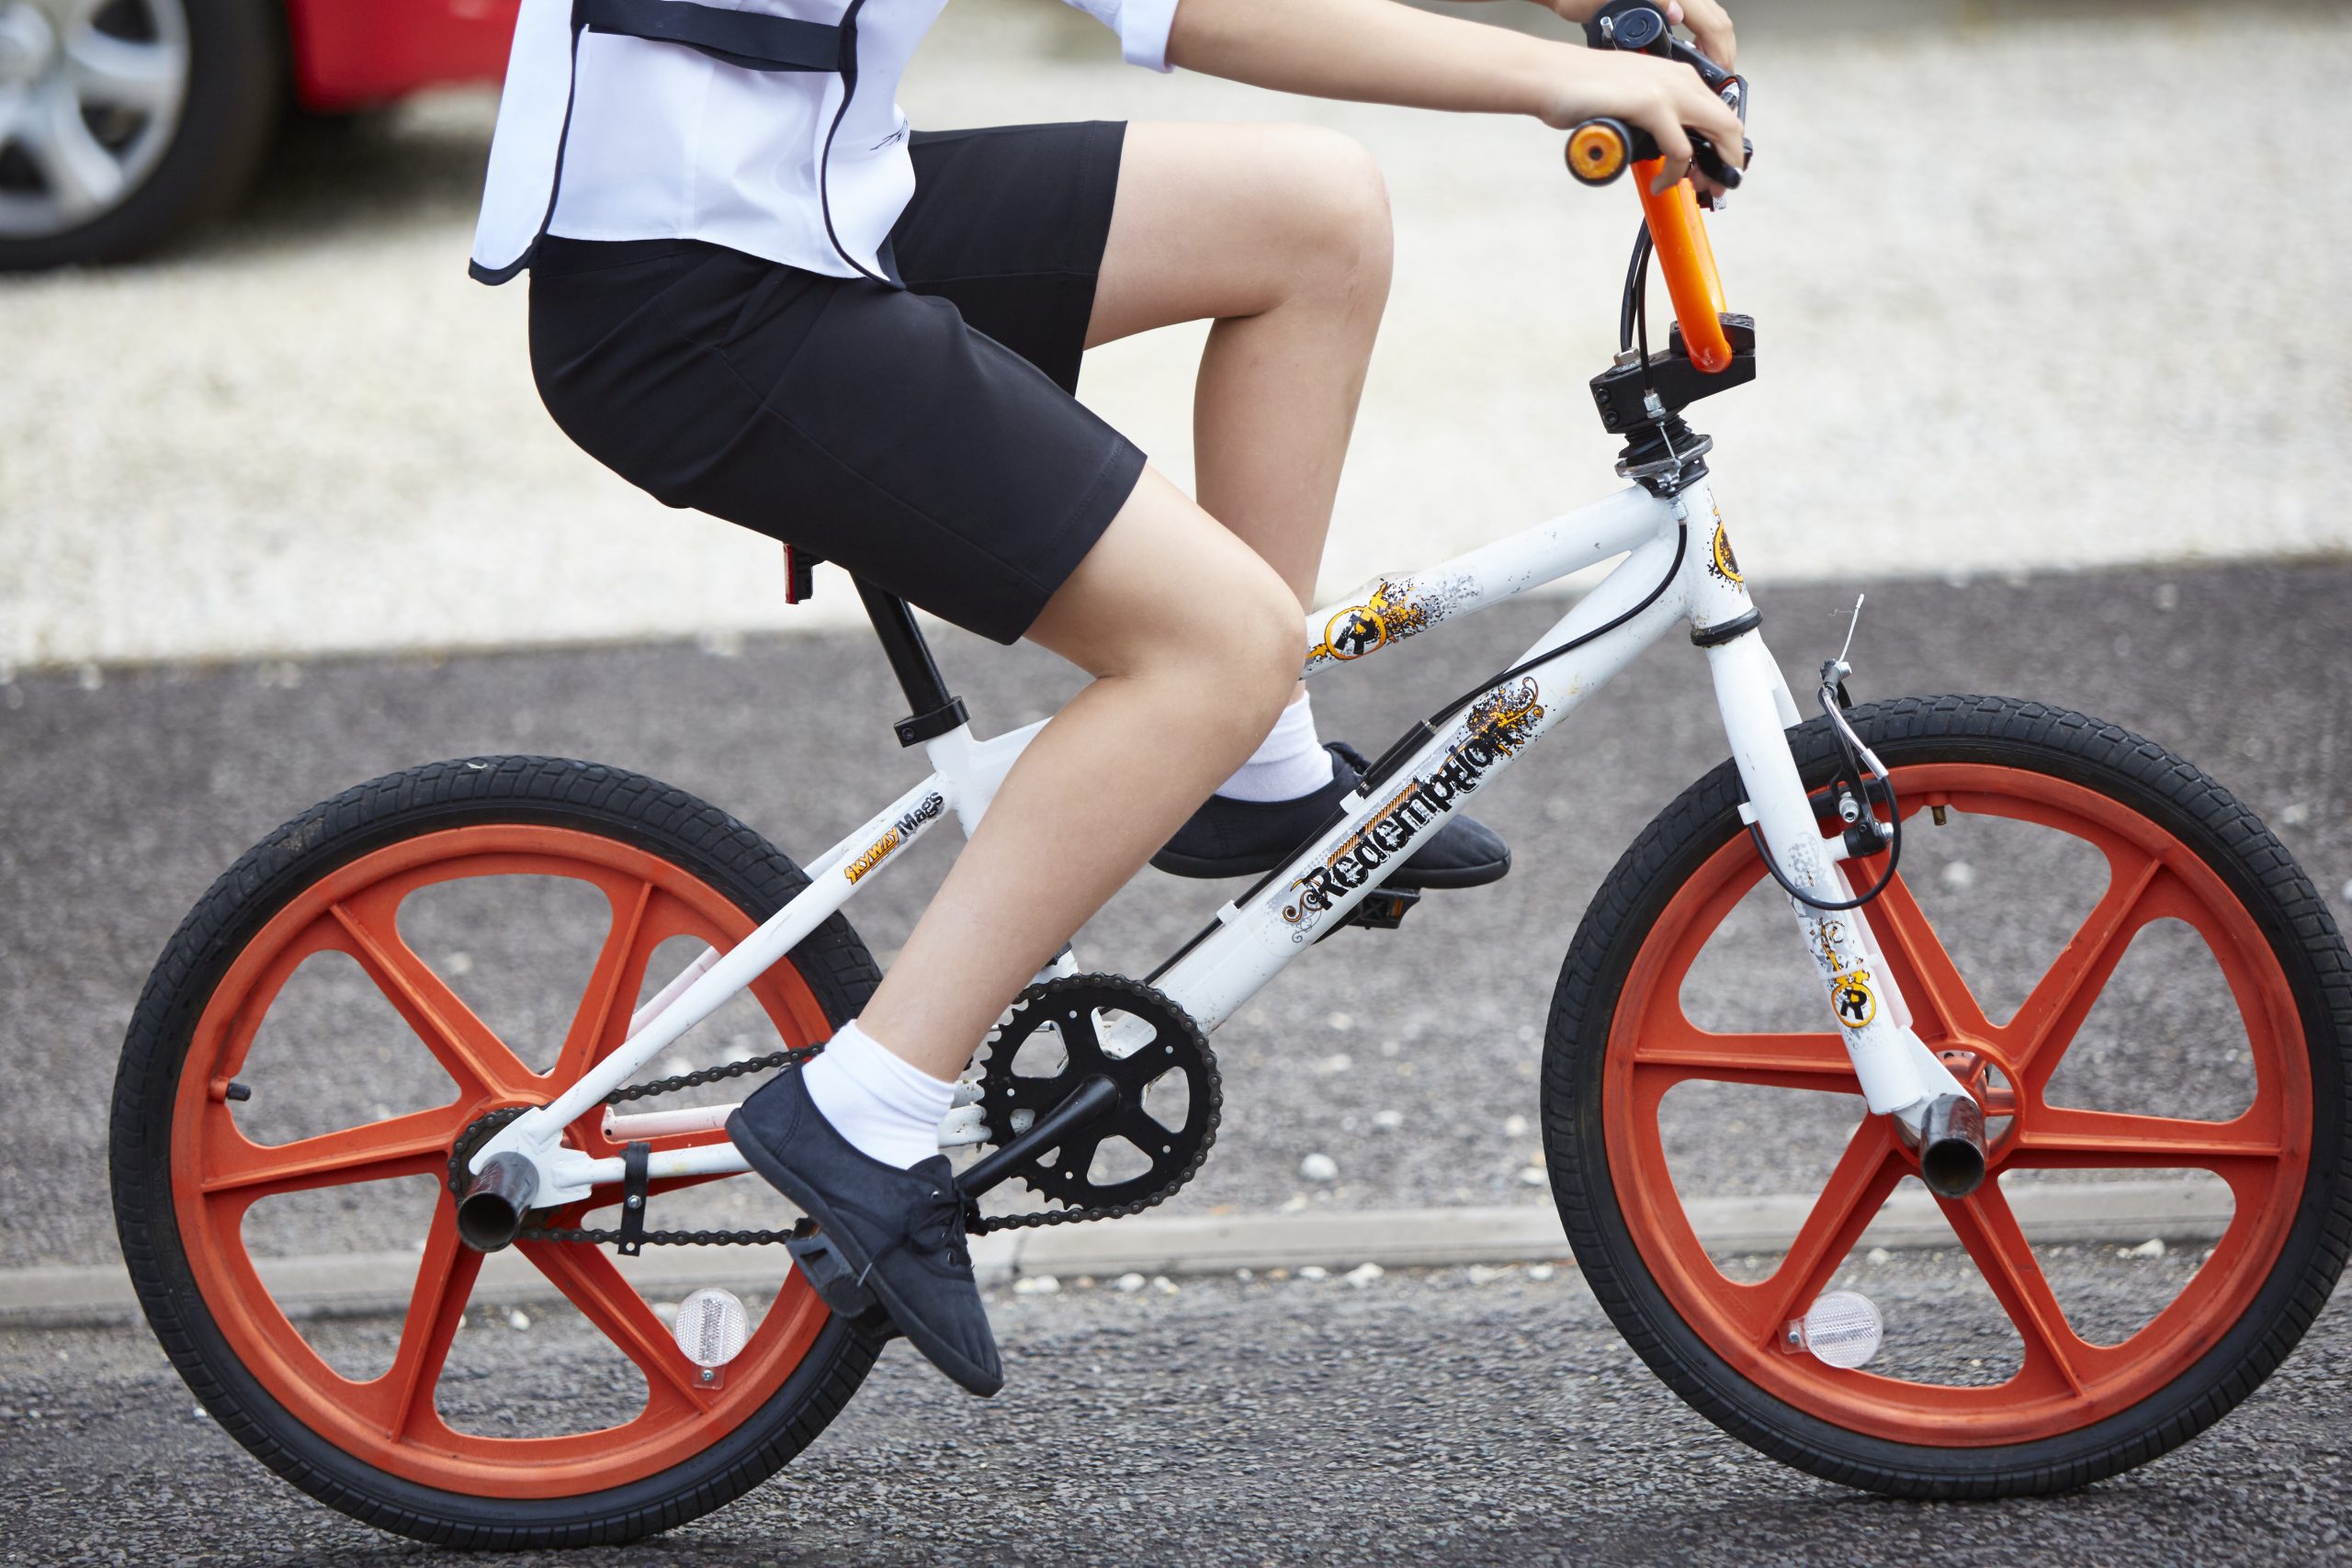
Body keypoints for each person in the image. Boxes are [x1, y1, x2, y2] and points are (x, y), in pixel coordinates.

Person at [472, 0, 1743, 1397]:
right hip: (698, 303)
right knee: (1217, 640)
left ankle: (1253, 766)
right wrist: (1557, 78)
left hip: (820, 206)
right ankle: (867, 1110)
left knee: (1317, 213)